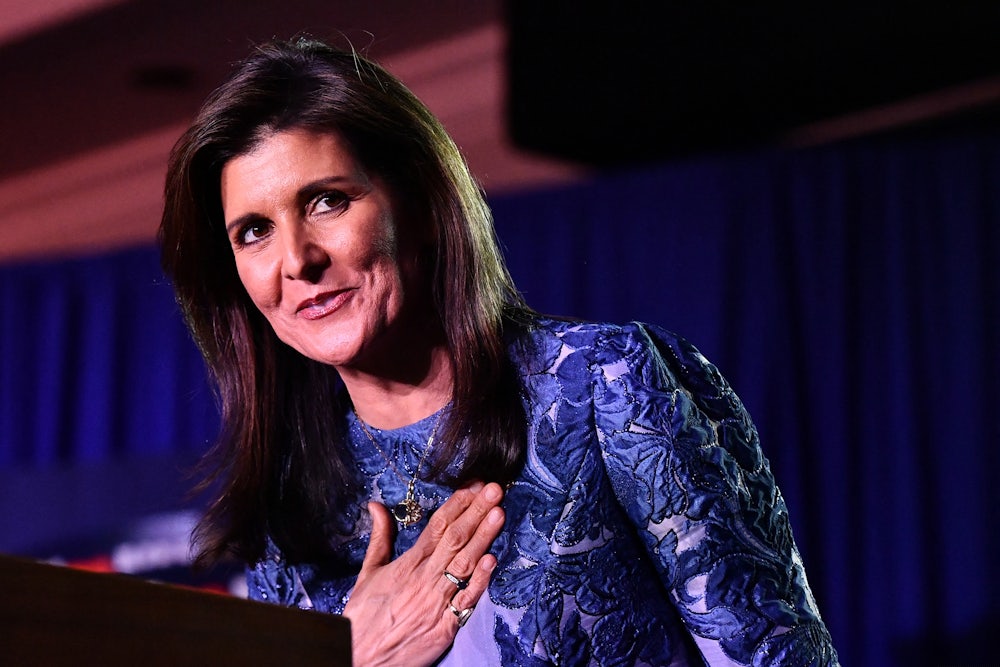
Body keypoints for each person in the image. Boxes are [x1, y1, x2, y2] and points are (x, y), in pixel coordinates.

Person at [159, 36, 840, 666]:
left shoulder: (606, 386)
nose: (297, 259)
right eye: (253, 232)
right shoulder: (286, 514)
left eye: (328, 201)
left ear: (422, 204)